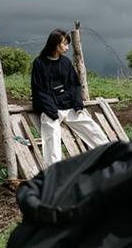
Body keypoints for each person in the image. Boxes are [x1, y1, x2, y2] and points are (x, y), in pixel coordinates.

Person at [31, 29, 108, 167]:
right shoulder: (39, 63)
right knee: (52, 137)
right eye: (64, 44)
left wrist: (77, 105)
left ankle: (109, 155)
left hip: (68, 105)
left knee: (91, 127)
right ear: (55, 44)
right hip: (50, 108)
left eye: (68, 44)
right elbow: (39, 89)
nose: (67, 47)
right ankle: (54, 171)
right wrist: (51, 110)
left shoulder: (66, 62)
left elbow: (74, 84)